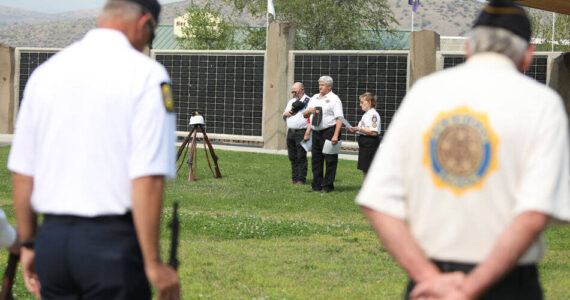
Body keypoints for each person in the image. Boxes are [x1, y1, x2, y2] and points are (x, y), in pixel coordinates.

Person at [356, 1, 570, 299]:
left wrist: (429, 278)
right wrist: (470, 289)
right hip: (508, 284)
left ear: (470, 47)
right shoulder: (542, 104)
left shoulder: (424, 93)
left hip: (430, 285)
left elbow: (377, 201)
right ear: (528, 55)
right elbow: (533, 214)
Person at [8, 0, 180, 299]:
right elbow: (147, 177)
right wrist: (153, 263)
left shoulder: (45, 74)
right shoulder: (148, 76)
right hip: (111, 245)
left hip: (53, 241)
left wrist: (29, 243)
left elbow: (23, 170)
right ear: (144, 24)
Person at [303, 76, 344, 194]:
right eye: (319, 84)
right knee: (316, 160)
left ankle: (328, 186)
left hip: (329, 131)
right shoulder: (314, 98)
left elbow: (339, 118)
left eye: (323, 85)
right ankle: (316, 185)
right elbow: (307, 116)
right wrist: (307, 113)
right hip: (316, 132)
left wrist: (335, 135)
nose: (320, 87)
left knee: (330, 160)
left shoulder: (334, 99)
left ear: (329, 86)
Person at [347, 93, 381, 180]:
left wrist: (359, 129)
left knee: (369, 168)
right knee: (365, 168)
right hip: (364, 142)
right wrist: (355, 129)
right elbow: (363, 128)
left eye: (362, 102)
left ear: (369, 102)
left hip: (370, 143)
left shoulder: (373, 115)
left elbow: (374, 132)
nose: (360, 104)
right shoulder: (366, 114)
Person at [283, 82, 311, 185]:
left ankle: (301, 179)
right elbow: (285, 114)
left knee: (301, 156)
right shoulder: (291, 102)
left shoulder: (309, 101)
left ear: (302, 90)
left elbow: (311, 119)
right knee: (292, 156)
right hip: (291, 131)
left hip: (301, 132)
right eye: (292, 91)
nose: (294, 93)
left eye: (296, 91)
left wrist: (308, 132)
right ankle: (294, 178)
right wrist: (286, 114)